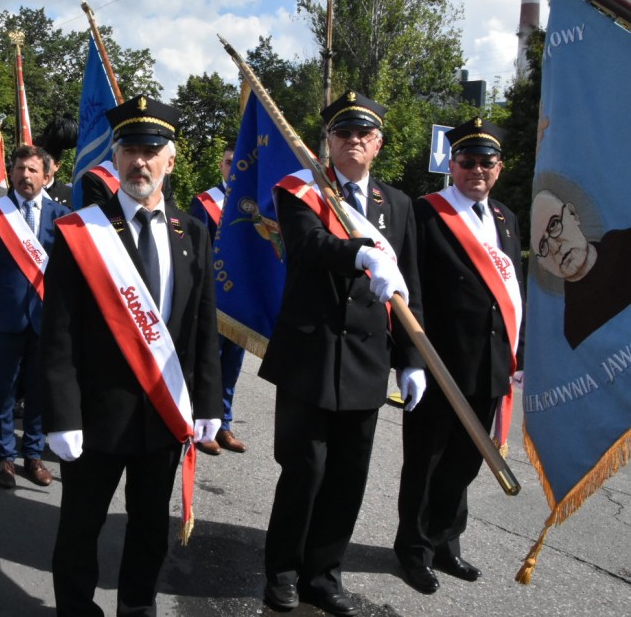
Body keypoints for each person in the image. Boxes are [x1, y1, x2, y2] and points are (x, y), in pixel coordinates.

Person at [40, 95, 222, 616]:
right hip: (96, 415)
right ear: (115, 158)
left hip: (164, 415)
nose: (139, 162)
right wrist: (62, 415)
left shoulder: (193, 233)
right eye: (129, 150)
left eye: (151, 150)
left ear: (171, 159)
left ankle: (137, 608)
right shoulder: (83, 232)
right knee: (81, 527)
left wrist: (209, 404)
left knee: (149, 528)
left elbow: (201, 326)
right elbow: (59, 334)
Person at [258, 91, 423, 616]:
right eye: (343, 133)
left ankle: (324, 576)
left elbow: (409, 284)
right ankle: (283, 573)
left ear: (378, 144)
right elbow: (308, 246)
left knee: (348, 478)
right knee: (304, 471)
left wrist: (413, 360)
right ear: (327, 141)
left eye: (363, 134)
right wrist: (362, 255)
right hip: (311, 353)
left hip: (367, 359)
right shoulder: (301, 190)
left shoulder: (397, 204)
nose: (353, 141)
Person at [394, 117, 525, 594]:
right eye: (467, 162)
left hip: (490, 363)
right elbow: (409, 289)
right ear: (451, 165)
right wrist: (411, 359)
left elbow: (514, 292)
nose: (476, 171)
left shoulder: (506, 218)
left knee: (465, 462)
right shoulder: (426, 213)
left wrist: (520, 353)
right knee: (426, 461)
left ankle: (445, 542)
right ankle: (413, 550)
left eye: (486, 163)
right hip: (442, 363)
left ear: (499, 168)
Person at [0, 145, 69, 489]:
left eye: (32, 170)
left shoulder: (62, 216)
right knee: (3, 394)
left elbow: (67, 276)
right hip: (6, 322)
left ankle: (33, 454)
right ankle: (4, 457)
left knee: (40, 394)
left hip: (46, 322)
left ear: (47, 175)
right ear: (10, 173)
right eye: (18, 169)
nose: (24, 175)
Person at [189, 144, 247, 455]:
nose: (233, 168)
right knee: (208, 362)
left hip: (242, 300)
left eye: (238, 163)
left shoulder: (255, 204)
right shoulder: (205, 202)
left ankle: (223, 423)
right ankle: (202, 424)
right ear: (221, 166)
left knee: (232, 365)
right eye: (228, 162)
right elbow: (194, 253)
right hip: (212, 298)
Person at [531, 189, 631, 349]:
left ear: (572, 214)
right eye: (543, 246)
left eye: (554, 225)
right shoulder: (572, 328)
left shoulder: (625, 244)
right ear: (542, 263)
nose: (555, 247)